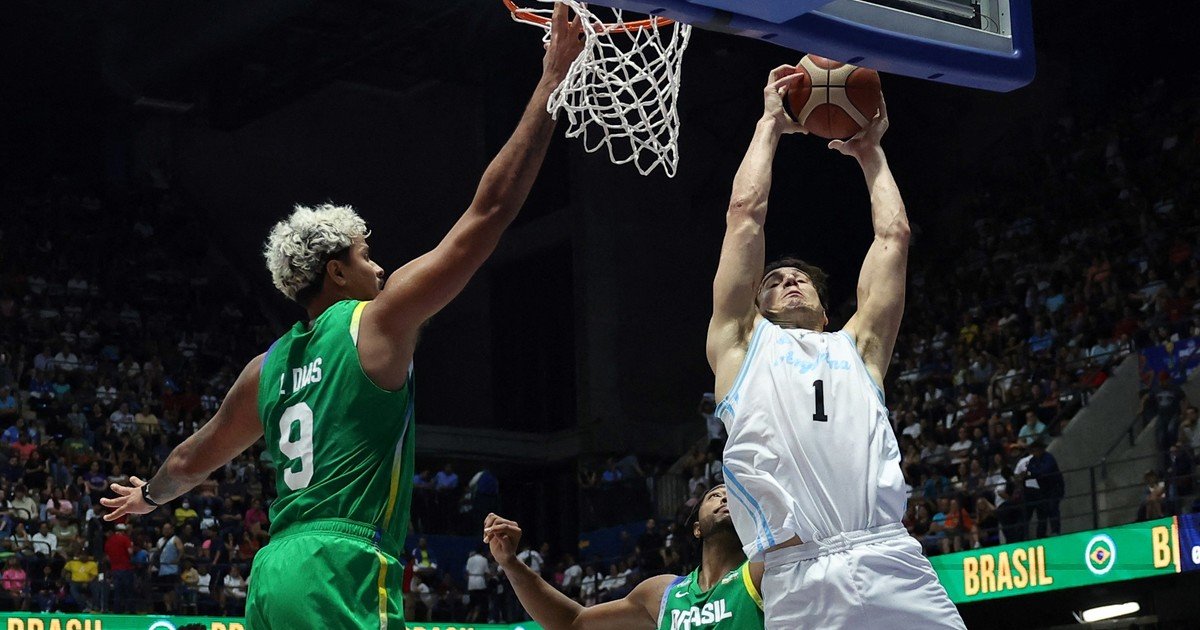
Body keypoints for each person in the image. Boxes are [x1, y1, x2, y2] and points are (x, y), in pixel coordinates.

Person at [99, 7, 585, 628]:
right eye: (365, 255)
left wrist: (148, 497)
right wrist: (551, 80)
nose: (379, 269)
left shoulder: (265, 368)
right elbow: (488, 214)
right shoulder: (376, 321)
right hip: (343, 564)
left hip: (273, 576)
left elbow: (192, 461)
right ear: (334, 270)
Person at [705, 65, 962, 628]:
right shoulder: (739, 348)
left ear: (825, 310)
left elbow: (893, 237)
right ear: (757, 303)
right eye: (772, 281)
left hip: (893, 559)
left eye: (800, 278)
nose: (787, 281)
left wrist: (871, 153)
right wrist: (770, 124)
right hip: (798, 575)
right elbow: (744, 215)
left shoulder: (859, 349)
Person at [484, 485, 764, 629]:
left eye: (734, 496)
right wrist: (510, 563)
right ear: (697, 528)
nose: (726, 499)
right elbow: (573, 622)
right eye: (715, 495)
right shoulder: (663, 594)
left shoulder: (762, 574)